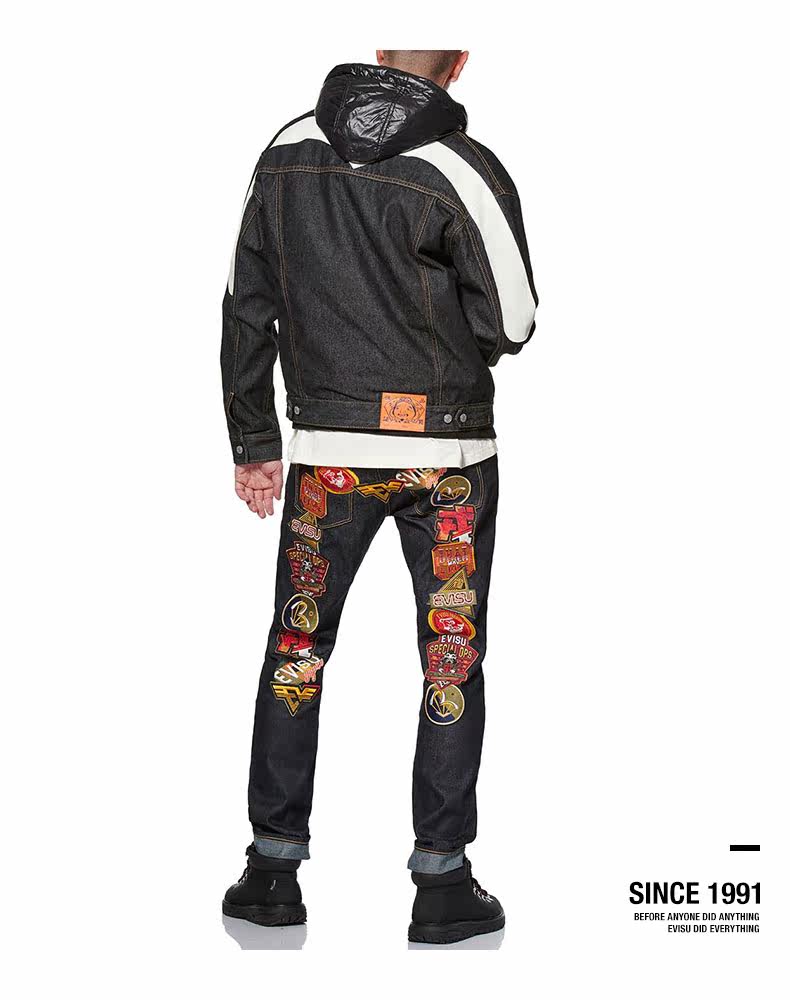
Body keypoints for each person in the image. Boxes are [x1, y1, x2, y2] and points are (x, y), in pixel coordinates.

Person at [220, 49, 538, 944]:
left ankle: (271, 874)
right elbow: (513, 321)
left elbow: (246, 304)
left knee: (297, 647)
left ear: (381, 53)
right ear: (458, 64)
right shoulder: (461, 169)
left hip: (328, 458)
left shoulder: (286, 151)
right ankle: (442, 884)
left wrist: (255, 442)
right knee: (450, 658)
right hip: (449, 459)